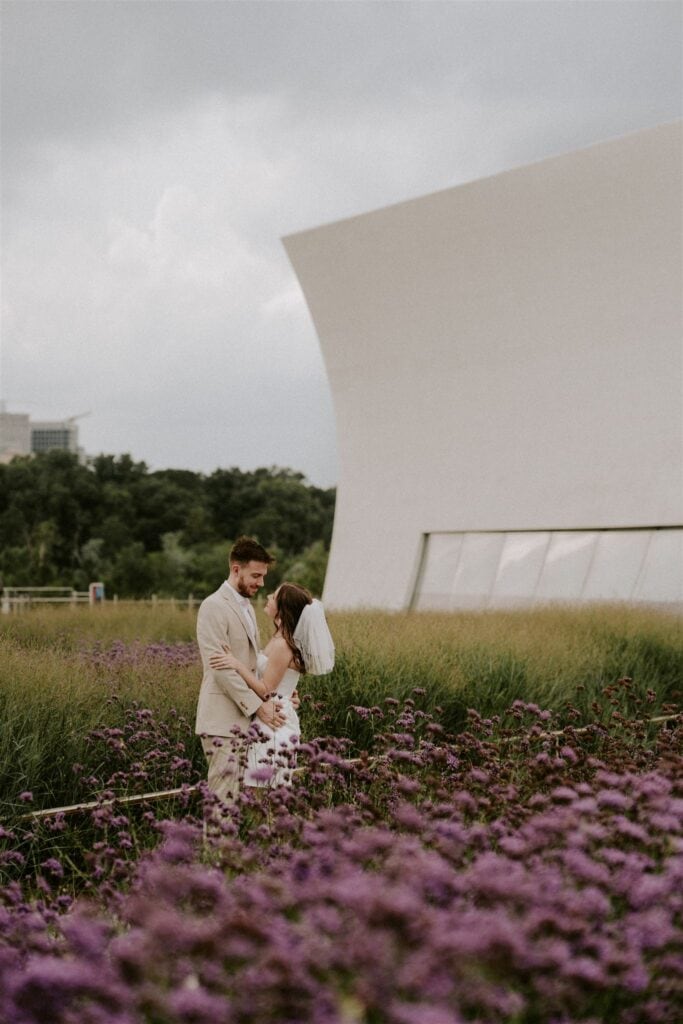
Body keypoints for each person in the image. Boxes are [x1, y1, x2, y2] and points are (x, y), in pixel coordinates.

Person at [209, 581, 335, 788]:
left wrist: (236, 664)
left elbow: (266, 690)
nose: (268, 598)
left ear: (282, 609)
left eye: (273, 597)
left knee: (260, 791)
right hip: (275, 713)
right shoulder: (280, 640)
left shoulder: (282, 645)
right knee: (261, 790)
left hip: (273, 723)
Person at [195, 536, 286, 806]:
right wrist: (258, 706)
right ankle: (216, 850)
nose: (261, 583)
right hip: (222, 721)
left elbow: (250, 665)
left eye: (263, 576)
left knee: (237, 803)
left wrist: (279, 696)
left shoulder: (246, 606)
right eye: (256, 575)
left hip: (246, 721)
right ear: (236, 569)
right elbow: (221, 669)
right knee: (222, 802)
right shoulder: (213, 606)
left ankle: (232, 850)